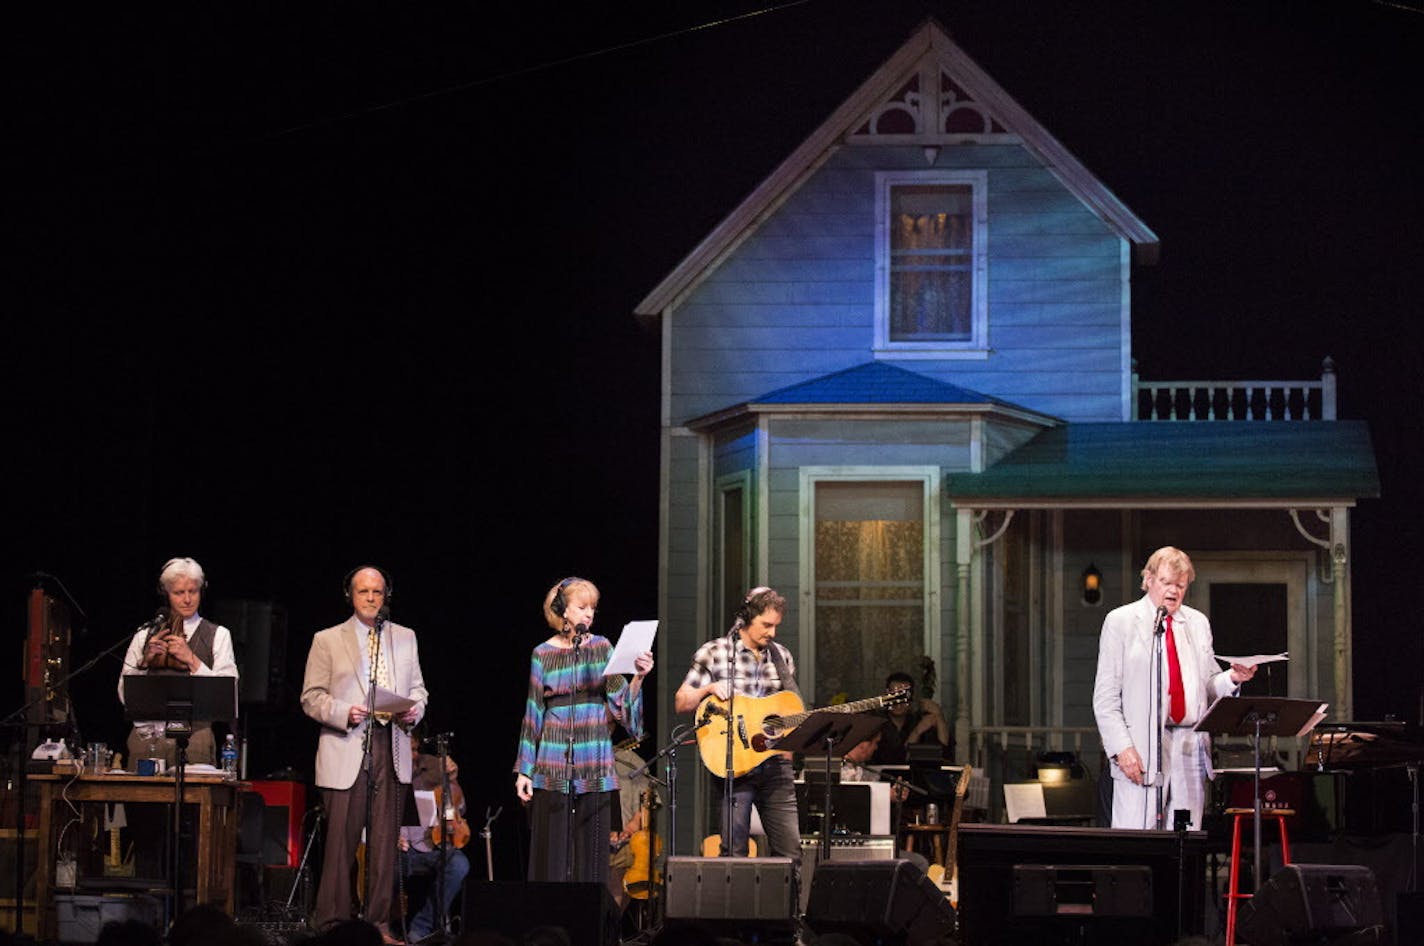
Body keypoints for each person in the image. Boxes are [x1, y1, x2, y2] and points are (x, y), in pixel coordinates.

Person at [1092, 546, 1257, 830]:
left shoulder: (1196, 623)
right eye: (1167, 583)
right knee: (1138, 837)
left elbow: (1207, 684)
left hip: (1189, 744)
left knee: (1185, 837)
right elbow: (1105, 698)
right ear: (1149, 579)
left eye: (1180, 585)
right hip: (1143, 744)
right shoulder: (1121, 622)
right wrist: (1122, 748)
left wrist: (1232, 678)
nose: (1174, 591)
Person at [301, 565, 426, 940]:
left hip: (393, 746)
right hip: (348, 744)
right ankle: (333, 926)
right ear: (350, 596)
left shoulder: (405, 637)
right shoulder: (327, 639)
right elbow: (311, 696)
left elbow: (419, 689)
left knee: (385, 845)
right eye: (364, 592)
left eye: (377, 592)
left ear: (387, 595)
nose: (372, 598)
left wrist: (415, 709)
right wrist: (343, 711)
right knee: (341, 842)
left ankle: (378, 925)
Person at [514, 577, 653, 882]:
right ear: (563, 610)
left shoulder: (602, 647)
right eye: (582, 606)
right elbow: (533, 711)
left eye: (593, 607)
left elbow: (620, 704)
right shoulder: (542, 653)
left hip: (594, 757)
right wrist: (525, 770)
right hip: (552, 757)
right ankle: (548, 921)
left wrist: (638, 678)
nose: (589, 613)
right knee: (550, 853)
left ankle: (587, 923)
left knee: (591, 855)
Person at [673, 587, 802, 876]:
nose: (772, 633)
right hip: (735, 766)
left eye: (776, 626)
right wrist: (708, 688)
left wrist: (788, 755)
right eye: (766, 625)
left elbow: (789, 710)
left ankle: (789, 919)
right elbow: (681, 701)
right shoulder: (716, 652)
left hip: (775, 766)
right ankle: (733, 921)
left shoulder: (782, 656)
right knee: (734, 853)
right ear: (746, 619)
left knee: (791, 853)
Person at [118, 557, 239, 766]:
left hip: (194, 740)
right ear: (166, 594)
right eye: (179, 593)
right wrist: (145, 662)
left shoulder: (218, 635)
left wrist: (191, 659)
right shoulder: (144, 635)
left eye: (193, 591)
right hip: (146, 740)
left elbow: (227, 692)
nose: (187, 599)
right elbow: (124, 692)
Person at [398, 736, 470, 943]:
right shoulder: (388, 774)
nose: (415, 755)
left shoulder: (431, 767)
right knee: (389, 869)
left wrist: (452, 780)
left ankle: (422, 928)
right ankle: (383, 927)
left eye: (416, 749)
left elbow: (459, 807)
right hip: (402, 849)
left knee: (459, 864)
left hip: (433, 846)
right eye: (409, 750)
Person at [870, 671, 949, 765]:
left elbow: (943, 751)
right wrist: (916, 732)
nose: (898, 702)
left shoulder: (916, 720)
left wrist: (938, 714)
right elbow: (894, 760)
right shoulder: (876, 722)